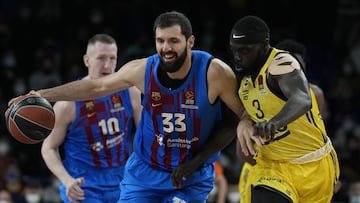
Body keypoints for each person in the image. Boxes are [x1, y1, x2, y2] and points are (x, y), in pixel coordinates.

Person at [8, 11, 244, 203]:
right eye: (160, 41)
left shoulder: (212, 73)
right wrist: (42, 95)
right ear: (86, 60)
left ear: (190, 41)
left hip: (163, 174)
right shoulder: (135, 74)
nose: (166, 47)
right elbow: (96, 88)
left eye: (173, 40)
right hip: (104, 181)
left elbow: (238, 118)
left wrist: (247, 129)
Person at [229, 16, 340, 203]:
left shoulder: (280, 62)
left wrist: (274, 124)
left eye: (245, 51)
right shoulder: (243, 79)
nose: (238, 56)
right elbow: (251, 112)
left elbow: (302, 98)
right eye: (235, 51)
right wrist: (244, 123)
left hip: (313, 166)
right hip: (272, 167)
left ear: (264, 45)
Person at [40, 34, 142, 203]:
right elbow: (48, 148)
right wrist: (66, 180)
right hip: (82, 185)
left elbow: (148, 136)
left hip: (123, 181)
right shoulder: (67, 104)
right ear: (87, 60)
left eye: (112, 58)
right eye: (101, 58)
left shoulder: (132, 93)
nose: (107, 65)